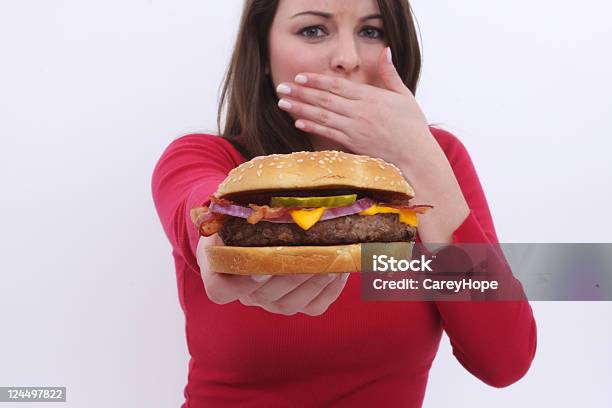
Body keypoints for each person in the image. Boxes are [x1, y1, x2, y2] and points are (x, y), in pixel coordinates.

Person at [151, 0, 537, 406]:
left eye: (371, 31)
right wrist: (218, 246)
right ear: (262, 52)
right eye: (314, 30)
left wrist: (421, 160)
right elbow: (197, 211)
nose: (347, 59)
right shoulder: (202, 157)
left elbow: (504, 361)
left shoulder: (437, 159)